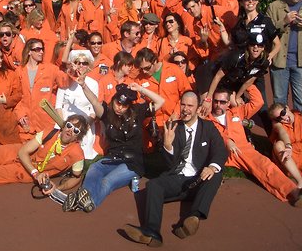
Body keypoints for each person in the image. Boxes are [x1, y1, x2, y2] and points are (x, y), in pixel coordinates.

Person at [123, 91, 228, 246]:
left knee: (216, 174)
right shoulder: (173, 127)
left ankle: (193, 217)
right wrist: (167, 146)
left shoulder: (208, 127)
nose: (185, 109)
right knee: (153, 185)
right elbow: (170, 165)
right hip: (178, 179)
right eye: (183, 105)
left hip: (199, 180)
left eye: (190, 106)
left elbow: (220, 151)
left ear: (198, 108)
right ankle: (151, 232)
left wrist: (212, 167)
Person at [63, 82, 164, 212]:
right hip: (113, 157)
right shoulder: (107, 113)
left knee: (108, 181)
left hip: (132, 163)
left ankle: (90, 202)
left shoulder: (138, 112)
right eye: (117, 103)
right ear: (114, 100)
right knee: (94, 168)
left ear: (129, 106)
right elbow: (94, 101)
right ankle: (84, 198)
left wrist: (140, 89)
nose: (119, 107)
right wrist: (83, 85)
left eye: (124, 105)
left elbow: (160, 101)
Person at [208, 86, 302, 205]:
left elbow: (258, 101)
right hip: (222, 153)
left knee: (264, 165)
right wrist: (227, 140)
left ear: (228, 103)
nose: (218, 105)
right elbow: (211, 133)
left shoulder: (236, 112)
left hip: (244, 150)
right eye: (215, 101)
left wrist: (248, 83)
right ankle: (292, 191)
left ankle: (292, 191)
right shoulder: (207, 118)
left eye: (222, 102)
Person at [14, 39, 69, 141]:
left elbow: (64, 82)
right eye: (38, 49)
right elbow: (16, 97)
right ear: (29, 51)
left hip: (46, 122)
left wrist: (72, 71)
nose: (41, 52)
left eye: (42, 49)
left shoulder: (51, 69)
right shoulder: (19, 71)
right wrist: (20, 115)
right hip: (26, 123)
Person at [267, 0, 302, 112]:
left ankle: (298, 132)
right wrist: (284, 22)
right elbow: (267, 33)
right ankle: (281, 131)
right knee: (279, 100)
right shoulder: (275, 7)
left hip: (299, 62)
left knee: (300, 100)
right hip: (279, 61)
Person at [268, 103, 302, 197]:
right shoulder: (278, 125)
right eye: (279, 118)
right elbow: (283, 133)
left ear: (287, 108)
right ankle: (300, 181)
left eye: (283, 113)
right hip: (290, 155)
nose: (284, 118)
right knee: (279, 145)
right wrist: (288, 146)